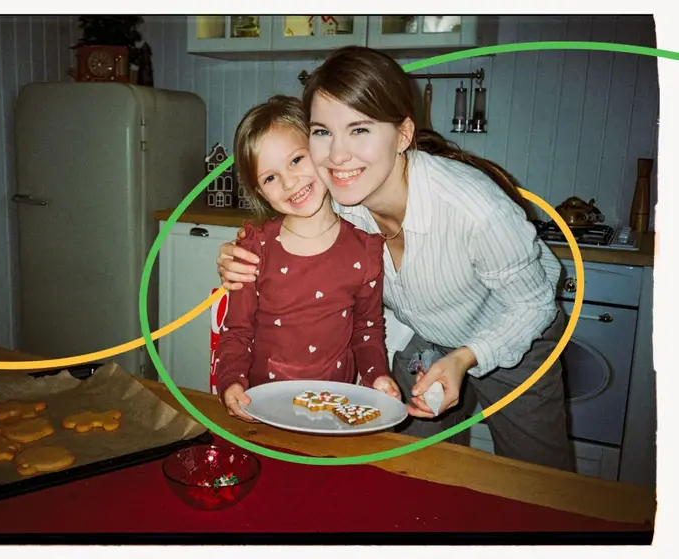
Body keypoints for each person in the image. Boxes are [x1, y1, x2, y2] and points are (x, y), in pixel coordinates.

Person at [216, 46, 574, 472]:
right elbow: (286, 215)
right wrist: (236, 252)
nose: (337, 155)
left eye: (360, 130)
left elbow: (532, 304)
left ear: (403, 134)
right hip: (433, 335)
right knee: (407, 470)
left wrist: (465, 357)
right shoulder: (336, 195)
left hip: (515, 334)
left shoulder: (475, 209)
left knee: (537, 485)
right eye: (323, 132)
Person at [214, 95, 402, 422]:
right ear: (260, 192)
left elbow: (367, 330)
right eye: (270, 178)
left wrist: (377, 377)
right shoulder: (254, 248)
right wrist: (230, 382)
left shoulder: (366, 250)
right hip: (262, 408)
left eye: (297, 160)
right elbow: (237, 331)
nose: (289, 182)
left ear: (319, 150)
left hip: (332, 410)